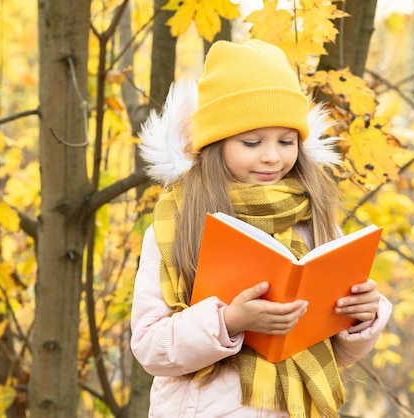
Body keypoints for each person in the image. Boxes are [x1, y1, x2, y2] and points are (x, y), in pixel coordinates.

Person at [130, 39, 392, 418]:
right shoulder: (177, 222)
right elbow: (150, 347)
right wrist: (229, 321)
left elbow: (339, 354)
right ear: (215, 145)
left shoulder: (313, 215)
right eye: (252, 142)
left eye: (287, 141)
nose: (272, 156)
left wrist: (362, 316)